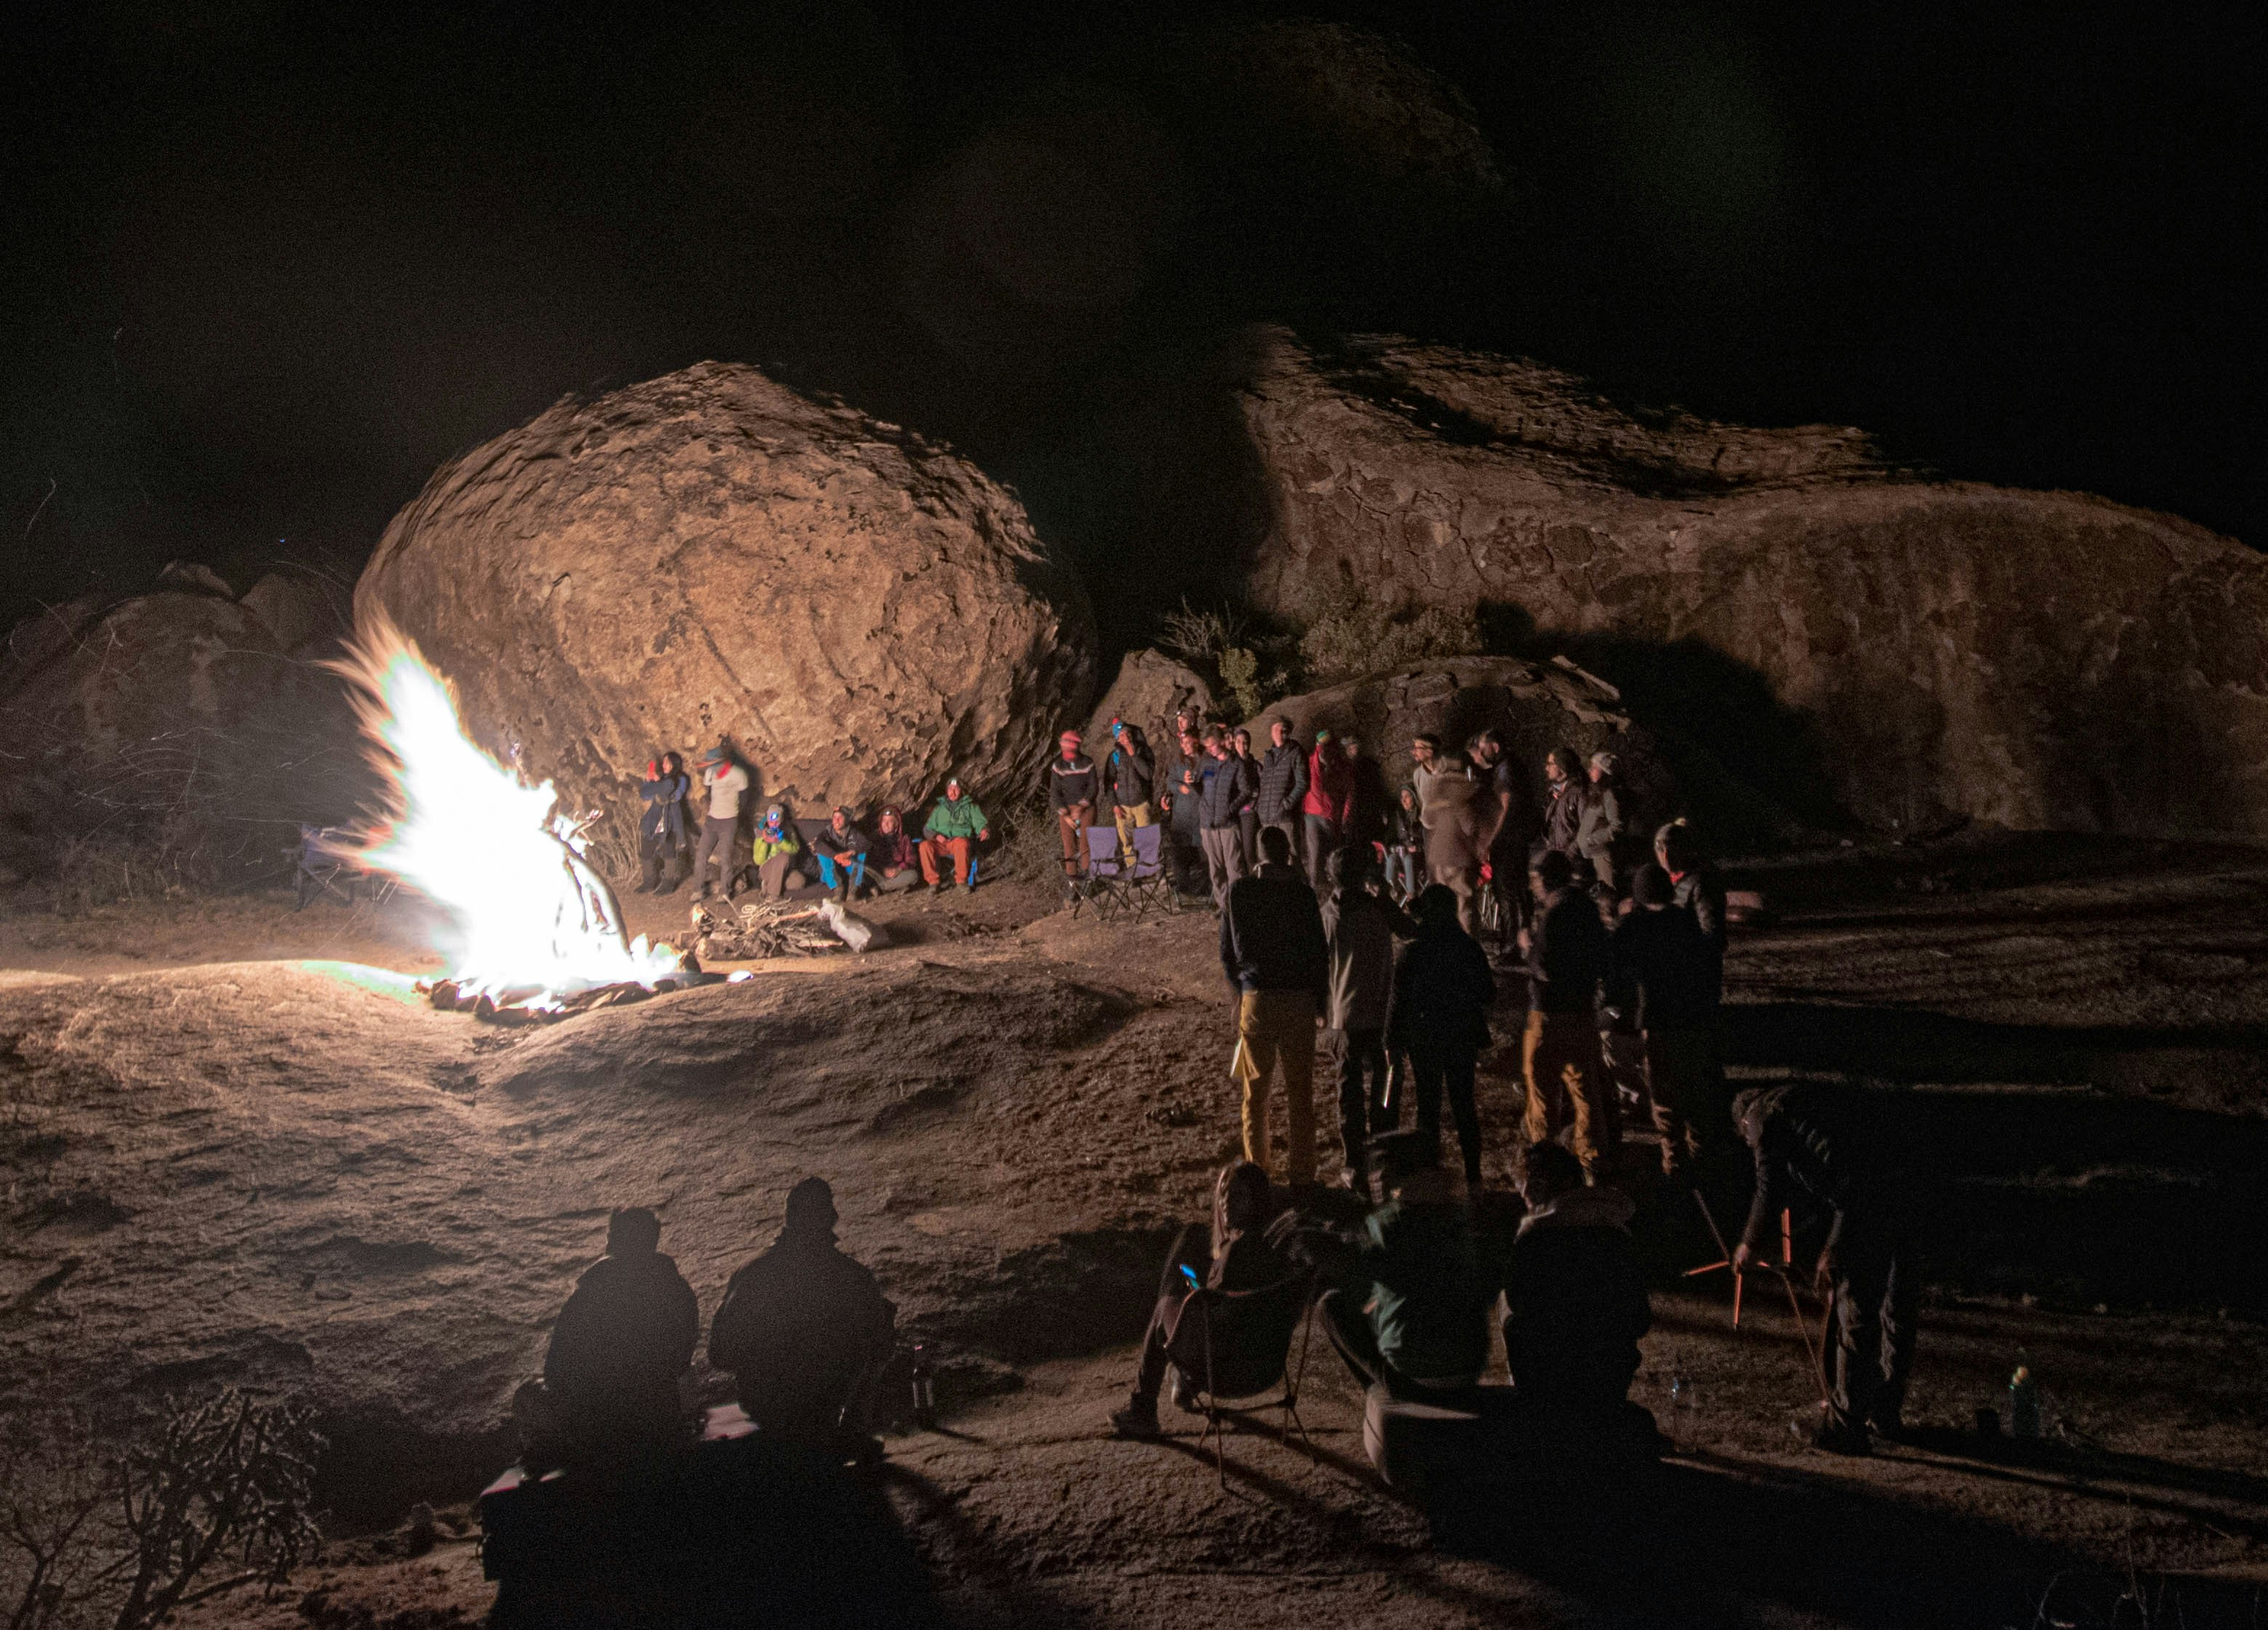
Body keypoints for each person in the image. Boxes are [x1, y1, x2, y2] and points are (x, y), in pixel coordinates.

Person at [1731, 1085, 1916, 1456]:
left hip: (1872, 1193)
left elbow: (1772, 1188)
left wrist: (1749, 1244)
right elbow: (1830, 1177)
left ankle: (1845, 1428)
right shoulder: (1800, 1107)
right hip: (1908, 1178)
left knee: (1857, 1311)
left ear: (1744, 1124)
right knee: (1896, 1302)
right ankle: (1883, 1410)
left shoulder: (1763, 1121)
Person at [1276, 1131, 1490, 1399]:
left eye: (1379, 1169)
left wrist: (1312, 1241)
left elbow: (1355, 1262)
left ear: (1397, 1175)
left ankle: (1386, 1391)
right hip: (1468, 1366)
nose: (1373, 1179)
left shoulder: (1395, 1220)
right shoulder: (1454, 1213)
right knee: (1379, 1301)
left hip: (1418, 1372)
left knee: (1331, 1306)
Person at [709, 1177, 898, 1460]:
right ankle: (851, 1429)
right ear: (831, 1219)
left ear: (788, 1218)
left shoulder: (751, 1274)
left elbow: (720, 1354)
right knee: (882, 1322)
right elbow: (881, 1346)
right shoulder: (852, 1278)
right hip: (825, 1403)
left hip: (763, 1405)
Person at [1106, 1162, 1293, 1439]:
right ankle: (1179, 1381)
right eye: (1224, 1194)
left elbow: (1212, 1315)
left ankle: (1144, 1408)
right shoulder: (1276, 1248)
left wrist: (1194, 1291)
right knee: (1192, 1249)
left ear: (1255, 1201)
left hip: (1219, 1370)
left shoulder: (1235, 1251)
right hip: (1264, 1368)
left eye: (1237, 1194)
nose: (1226, 1202)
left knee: (1164, 1305)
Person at [1501, 1141, 1651, 1424]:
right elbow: (1639, 1318)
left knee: (1507, 1309)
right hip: (1610, 1376)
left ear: (1535, 1187)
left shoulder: (1534, 1242)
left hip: (1547, 1380)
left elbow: (1519, 1306)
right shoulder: (1617, 1235)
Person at [536, 1208, 699, 1466]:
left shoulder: (586, 1297)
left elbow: (555, 1373)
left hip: (599, 1430)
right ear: (654, 1240)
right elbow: (681, 1361)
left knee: (530, 1394)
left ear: (611, 1240)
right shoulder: (679, 1292)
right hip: (660, 1418)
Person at [1220, 825, 1329, 1187]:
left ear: (1259, 855)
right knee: (1301, 1093)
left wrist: (1244, 989)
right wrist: (1320, 1000)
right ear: (1288, 855)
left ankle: (1258, 1171)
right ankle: (1302, 1172)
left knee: (1255, 1094)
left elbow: (1229, 953)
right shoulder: (1303, 895)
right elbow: (1318, 952)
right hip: (1298, 998)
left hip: (1259, 999)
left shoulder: (1240, 892)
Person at [1606, 863, 1725, 1179]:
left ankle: (1675, 1169)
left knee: (1666, 1099)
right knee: (1697, 1090)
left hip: (1658, 1024)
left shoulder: (1633, 929)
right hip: (1695, 1019)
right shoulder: (1687, 922)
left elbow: (1616, 980)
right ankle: (1704, 1163)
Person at [1386, 884, 1496, 1189]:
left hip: (1425, 1037)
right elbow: (1488, 993)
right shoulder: (1467, 947)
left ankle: (1430, 1174)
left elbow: (1398, 1000)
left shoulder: (1413, 950)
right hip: (1461, 1035)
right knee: (1464, 1105)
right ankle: (1473, 1176)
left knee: (1428, 1106)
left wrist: (1391, 1042)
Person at [1321, 846, 1417, 1189]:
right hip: (1379, 1013)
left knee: (1348, 1092)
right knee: (1385, 1087)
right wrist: (1387, 898)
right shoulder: (1378, 910)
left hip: (1342, 1017)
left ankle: (1353, 1162)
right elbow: (1410, 930)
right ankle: (1382, 1152)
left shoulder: (1327, 914)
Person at [1522, 850, 1614, 1180]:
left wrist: (1527, 948)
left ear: (1546, 879)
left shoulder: (1554, 913)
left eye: (1534, 880)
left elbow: (1543, 965)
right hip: (1581, 1012)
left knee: (1543, 1094)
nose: (1533, 887)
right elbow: (1604, 957)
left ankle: (1543, 1168)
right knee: (1585, 1093)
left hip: (1549, 1015)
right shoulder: (1588, 909)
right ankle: (1593, 1167)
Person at [1469, 731, 1536, 940]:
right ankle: (1519, 940)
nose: (1480, 752)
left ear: (1495, 747)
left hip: (1508, 841)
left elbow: (1505, 807)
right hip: (1514, 839)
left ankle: (1511, 945)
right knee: (1517, 893)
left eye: (1483, 748)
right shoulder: (1506, 766)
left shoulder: (1506, 769)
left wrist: (1490, 840)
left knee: (1508, 893)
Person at [1420, 759, 1484, 936]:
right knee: (1464, 904)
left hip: (1442, 857)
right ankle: (1469, 945)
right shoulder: (1465, 795)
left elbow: (1427, 819)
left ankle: (1450, 942)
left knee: (1446, 904)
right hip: (1460, 858)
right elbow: (1471, 826)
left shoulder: (1439, 795)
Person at [1197, 728, 1253, 910]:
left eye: (1212, 745)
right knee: (1216, 870)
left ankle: (1239, 908)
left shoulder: (1236, 764)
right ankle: (1224, 908)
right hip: (1208, 825)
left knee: (1234, 869)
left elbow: (1246, 791)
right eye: (1207, 746)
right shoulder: (1208, 764)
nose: (1210, 749)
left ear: (1222, 742)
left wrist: (1230, 809)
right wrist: (1191, 783)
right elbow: (1204, 789)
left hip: (1228, 824)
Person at [692, 745, 752, 901]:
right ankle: (697, 890)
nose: (711, 769)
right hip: (712, 820)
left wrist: (734, 814)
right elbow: (710, 791)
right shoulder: (711, 772)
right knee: (702, 854)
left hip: (729, 821)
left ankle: (725, 892)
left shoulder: (738, 775)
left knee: (726, 858)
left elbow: (745, 797)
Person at [1301, 728, 1355, 892]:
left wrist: (1345, 815)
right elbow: (1316, 786)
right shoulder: (1313, 762)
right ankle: (1315, 890)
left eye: (1328, 746)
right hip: (1313, 814)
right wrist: (1318, 751)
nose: (1326, 750)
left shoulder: (1341, 767)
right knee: (1315, 854)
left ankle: (1337, 889)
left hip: (1332, 816)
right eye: (1322, 747)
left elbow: (1348, 793)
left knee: (1334, 854)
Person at [1044, 729, 1100, 883]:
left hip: (1086, 807)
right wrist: (1065, 814)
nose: (1066, 748)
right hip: (1067, 809)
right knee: (1069, 845)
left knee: (1085, 843)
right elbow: (1055, 792)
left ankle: (1090, 879)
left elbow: (1093, 788)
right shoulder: (1058, 765)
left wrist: (1081, 806)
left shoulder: (1087, 763)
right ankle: (1073, 882)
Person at [1254, 716, 1309, 869]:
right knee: (1268, 860)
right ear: (1272, 732)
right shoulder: (1269, 756)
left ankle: (1297, 890)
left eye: (1284, 729)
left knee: (1292, 858)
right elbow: (1265, 784)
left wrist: (1287, 804)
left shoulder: (1296, 752)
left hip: (1285, 818)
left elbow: (1303, 782)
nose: (1281, 732)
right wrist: (1261, 806)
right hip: (1267, 816)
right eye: (1278, 729)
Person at [919, 778, 989, 891]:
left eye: (956, 789)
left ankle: (961, 882)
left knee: (961, 843)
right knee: (924, 846)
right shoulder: (939, 809)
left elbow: (980, 823)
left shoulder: (970, 807)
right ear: (947, 791)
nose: (953, 792)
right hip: (942, 843)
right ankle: (933, 883)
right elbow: (927, 829)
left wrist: (984, 829)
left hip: (958, 842)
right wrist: (936, 836)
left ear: (962, 791)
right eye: (950, 789)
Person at [636, 752, 691, 894]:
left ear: (674, 764)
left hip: (670, 821)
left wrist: (657, 784)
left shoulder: (681, 779)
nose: (664, 765)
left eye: (667, 762)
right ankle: (649, 882)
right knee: (647, 851)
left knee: (669, 853)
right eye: (664, 762)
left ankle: (668, 884)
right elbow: (644, 794)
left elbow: (674, 795)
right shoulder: (663, 780)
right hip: (655, 821)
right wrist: (649, 782)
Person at [1104, 718, 1155, 862]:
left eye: (1127, 734)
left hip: (1141, 803)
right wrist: (1114, 805)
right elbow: (1108, 782)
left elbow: (1148, 774)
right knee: (1127, 844)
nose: (1125, 738)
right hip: (1123, 806)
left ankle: (1148, 871)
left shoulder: (1144, 751)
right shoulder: (1114, 756)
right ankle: (1133, 872)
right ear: (1117, 739)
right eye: (1121, 735)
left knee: (1146, 841)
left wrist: (1135, 756)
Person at [1163, 729, 1207, 895]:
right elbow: (1170, 781)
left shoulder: (1206, 761)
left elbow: (1211, 780)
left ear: (1198, 742)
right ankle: (1184, 888)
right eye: (1184, 743)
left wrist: (1195, 783)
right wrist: (1180, 787)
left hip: (1200, 816)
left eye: (1190, 742)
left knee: (1203, 855)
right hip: (1181, 818)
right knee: (1179, 854)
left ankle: (1204, 887)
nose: (1187, 746)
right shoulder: (1178, 763)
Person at [1577, 751, 1625, 899]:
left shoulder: (1609, 795)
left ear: (1604, 771)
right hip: (1592, 856)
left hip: (1603, 857)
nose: (1590, 770)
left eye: (1594, 767)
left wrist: (1592, 839)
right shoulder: (1596, 793)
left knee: (1607, 897)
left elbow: (1616, 826)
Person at [811, 806, 869, 901]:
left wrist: (849, 853)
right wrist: (836, 856)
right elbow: (818, 844)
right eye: (834, 817)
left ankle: (853, 890)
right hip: (832, 871)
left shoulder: (853, 832)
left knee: (862, 854)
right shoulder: (827, 833)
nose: (836, 820)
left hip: (849, 867)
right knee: (822, 854)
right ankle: (838, 889)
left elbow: (866, 843)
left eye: (840, 817)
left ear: (846, 820)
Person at [1539, 748, 1585, 862]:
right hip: (1556, 856)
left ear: (1562, 766)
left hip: (1572, 860)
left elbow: (1586, 827)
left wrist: (1572, 852)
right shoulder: (1552, 793)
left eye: (1550, 764)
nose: (1546, 768)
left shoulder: (1578, 794)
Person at [749, 804, 801, 901]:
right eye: (771, 822)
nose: (774, 825)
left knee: (799, 882)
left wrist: (781, 842)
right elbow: (758, 861)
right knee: (783, 857)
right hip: (766, 869)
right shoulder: (762, 833)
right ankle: (773, 896)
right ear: (768, 821)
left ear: (781, 821)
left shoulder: (788, 830)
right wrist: (765, 842)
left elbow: (795, 850)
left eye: (777, 822)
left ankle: (769, 887)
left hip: (785, 871)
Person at [1383, 783, 1423, 902]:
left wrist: (1417, 848)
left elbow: (1429, 841)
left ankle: (1411, 896)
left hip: (1419, 856)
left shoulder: (1421, 816)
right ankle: (1391, 891)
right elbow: (1390, 839)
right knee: (1391, 859)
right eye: (1402, 797)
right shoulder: (1398, 817)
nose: (1404, 800)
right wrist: (1395, 848)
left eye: (1407, 796)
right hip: (1402, 853)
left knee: (1408, 859)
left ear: (1414, 798)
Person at [1231, 726, 1263, 868]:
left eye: (1245, 743)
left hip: (1247, 812)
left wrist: (1252, 803)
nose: (1242, 746)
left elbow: (1261, 789)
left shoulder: (1255, 766)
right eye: (1238, 742)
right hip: (1232, 813)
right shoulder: (1230, 765)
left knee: (1249, 851)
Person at [869, 805, 919, 892]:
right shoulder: (874, 838)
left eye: (890, 821)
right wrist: (883, 869)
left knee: (913, 875)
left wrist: (899, 869)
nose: (886, 824)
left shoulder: (904, 839)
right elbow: (871, 860)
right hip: (879, 874)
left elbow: (911, 860)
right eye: (884, 821)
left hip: (896, 874)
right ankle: (894, 886)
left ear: (896, 824)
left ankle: (883, 887)